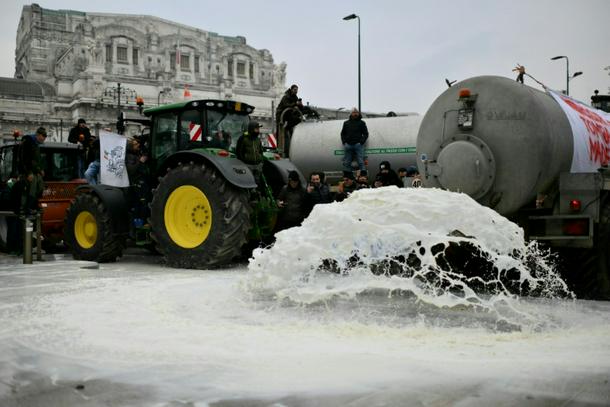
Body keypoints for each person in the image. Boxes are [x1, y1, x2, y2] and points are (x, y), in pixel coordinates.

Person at [18, 127, 47, 217]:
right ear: (38, 135)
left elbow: (37, 160)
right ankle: (24, 209)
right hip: (28, 172)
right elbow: (24, 159)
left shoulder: (36, 144)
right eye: (43, 137)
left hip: (35, 171)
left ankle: (32, 206)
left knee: (40, 186)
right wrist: (28, 172)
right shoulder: (28, 142)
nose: (43, 139)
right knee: (29, 190)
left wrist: (40, 169)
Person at [276, 84, 301, 157]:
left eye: (297, 90)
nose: (296, 91)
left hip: (288, 115)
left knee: (292, 128)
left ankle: (289, 150)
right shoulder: (286, 96)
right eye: (295, 90)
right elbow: (286, 105)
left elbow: (296, 106)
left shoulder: (295, 97)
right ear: (291, 89)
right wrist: (295, 104)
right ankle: (280, 149)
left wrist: (299, 105)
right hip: (281, 115)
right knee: (280, 133)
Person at [341, 108, 368, 173]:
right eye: (354, 112)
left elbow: (366, 133)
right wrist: (344, 142)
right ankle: (348, 176)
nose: (355, 114)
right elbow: (342, 133)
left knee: (361, 162)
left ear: (358, 114)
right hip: (348, 145)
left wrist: (361, 142)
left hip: (358, 145)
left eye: (356, 112)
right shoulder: (346, 123)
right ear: (351, 114)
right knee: (347, 162)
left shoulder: (362, 123)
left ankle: (363, 176)